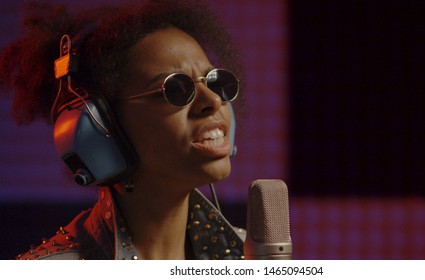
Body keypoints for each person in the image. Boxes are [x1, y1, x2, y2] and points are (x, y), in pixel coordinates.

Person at [0, 0, 245, 260]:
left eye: (214, 81)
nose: (214, 101)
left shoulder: (249, 256)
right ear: (104, 126)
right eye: (176, 89)